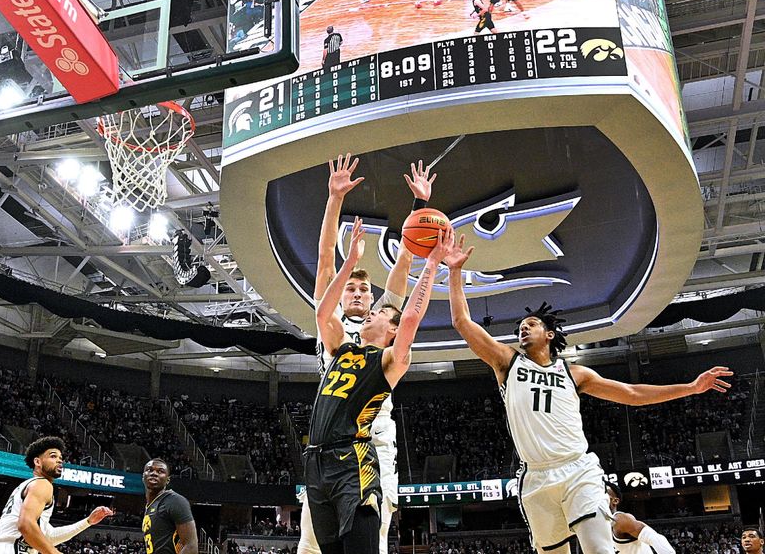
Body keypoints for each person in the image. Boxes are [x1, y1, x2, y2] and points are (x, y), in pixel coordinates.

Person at [444, 236, 734, 554]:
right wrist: (455, 271)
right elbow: (461, 322)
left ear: (549, 334)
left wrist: (691, 388)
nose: (522, 330)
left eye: (530, 324)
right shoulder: (506, 362)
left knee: (599, 548)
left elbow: (633, 393)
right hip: (535, 477)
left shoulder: (575, 373)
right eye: (520, 328)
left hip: (577, 469)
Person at [298, 155, 436, 554]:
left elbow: (406, 260)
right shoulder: (333, 323)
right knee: (311, 545)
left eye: (364, 291)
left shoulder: (384, 320)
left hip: (374, 434)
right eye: (351, 290)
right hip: (329, 435)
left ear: (374, 301)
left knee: (370, 538)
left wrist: (419, 207)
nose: (358, 294)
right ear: (340, 296)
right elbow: (326, 256)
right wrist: (334, 197)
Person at [0, 436, 113, 554]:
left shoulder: (26, 486)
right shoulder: (42, 484)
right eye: (53, 456)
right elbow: (26, 525)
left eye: (61, 458)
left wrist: (87, 522)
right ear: (37, 462)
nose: (59, 461)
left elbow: (48, 537)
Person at [141, 459, 198, 554]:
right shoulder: (150, 506)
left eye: (160, 471)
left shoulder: (174, 501)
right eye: (150, 470)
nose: (154, 473)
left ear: (168, 480)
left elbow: (191, 547)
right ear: (143, 477)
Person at [605, 482, 674, 553]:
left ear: (615, 501)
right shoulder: (599, 527)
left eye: (604, 493)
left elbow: (654, 538)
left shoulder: (619, 520)